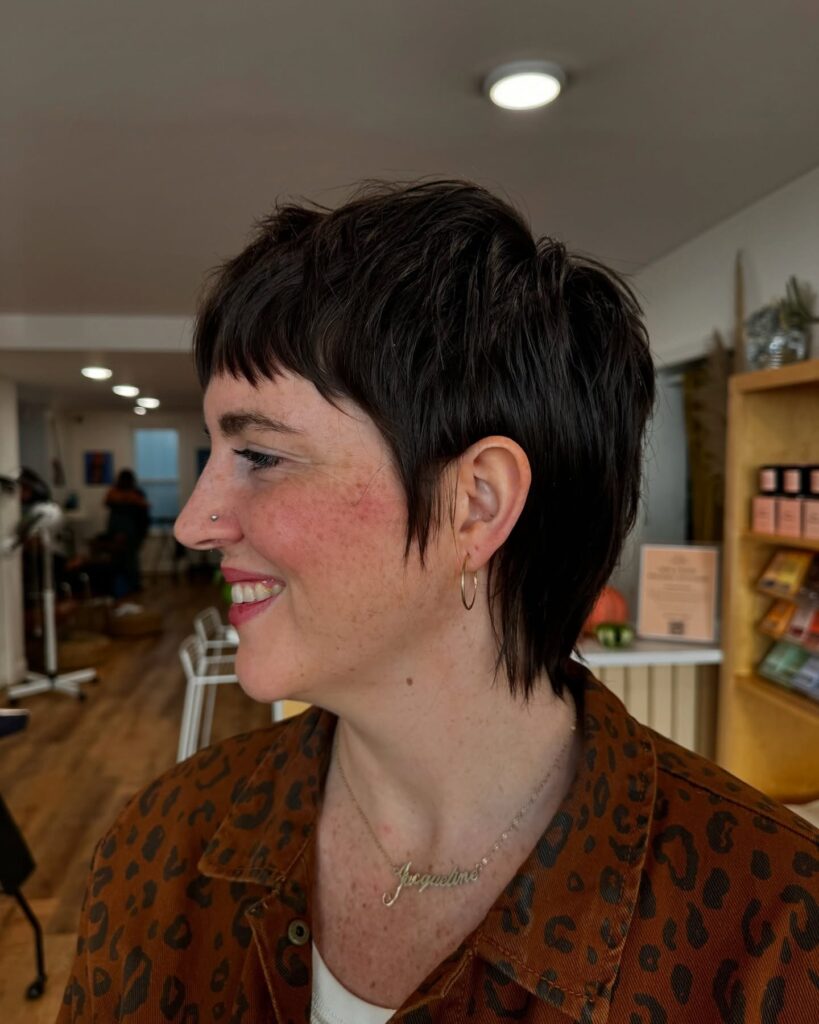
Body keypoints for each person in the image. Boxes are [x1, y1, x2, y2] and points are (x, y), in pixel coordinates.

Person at [57, 181, 818, 1023]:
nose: (198, 521)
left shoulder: (773, 938)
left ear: (476, 505)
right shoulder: (168, 845)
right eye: (213, 453)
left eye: (260, 456)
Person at [103, 469, 150, 597]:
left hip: (132, 533)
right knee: (118, 560)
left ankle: (132, 586)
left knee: (130, 561)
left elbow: (145, 506)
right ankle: (118, 587)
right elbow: (107, 500)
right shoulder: (114, 493)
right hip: (117, 531)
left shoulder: (136, 493)